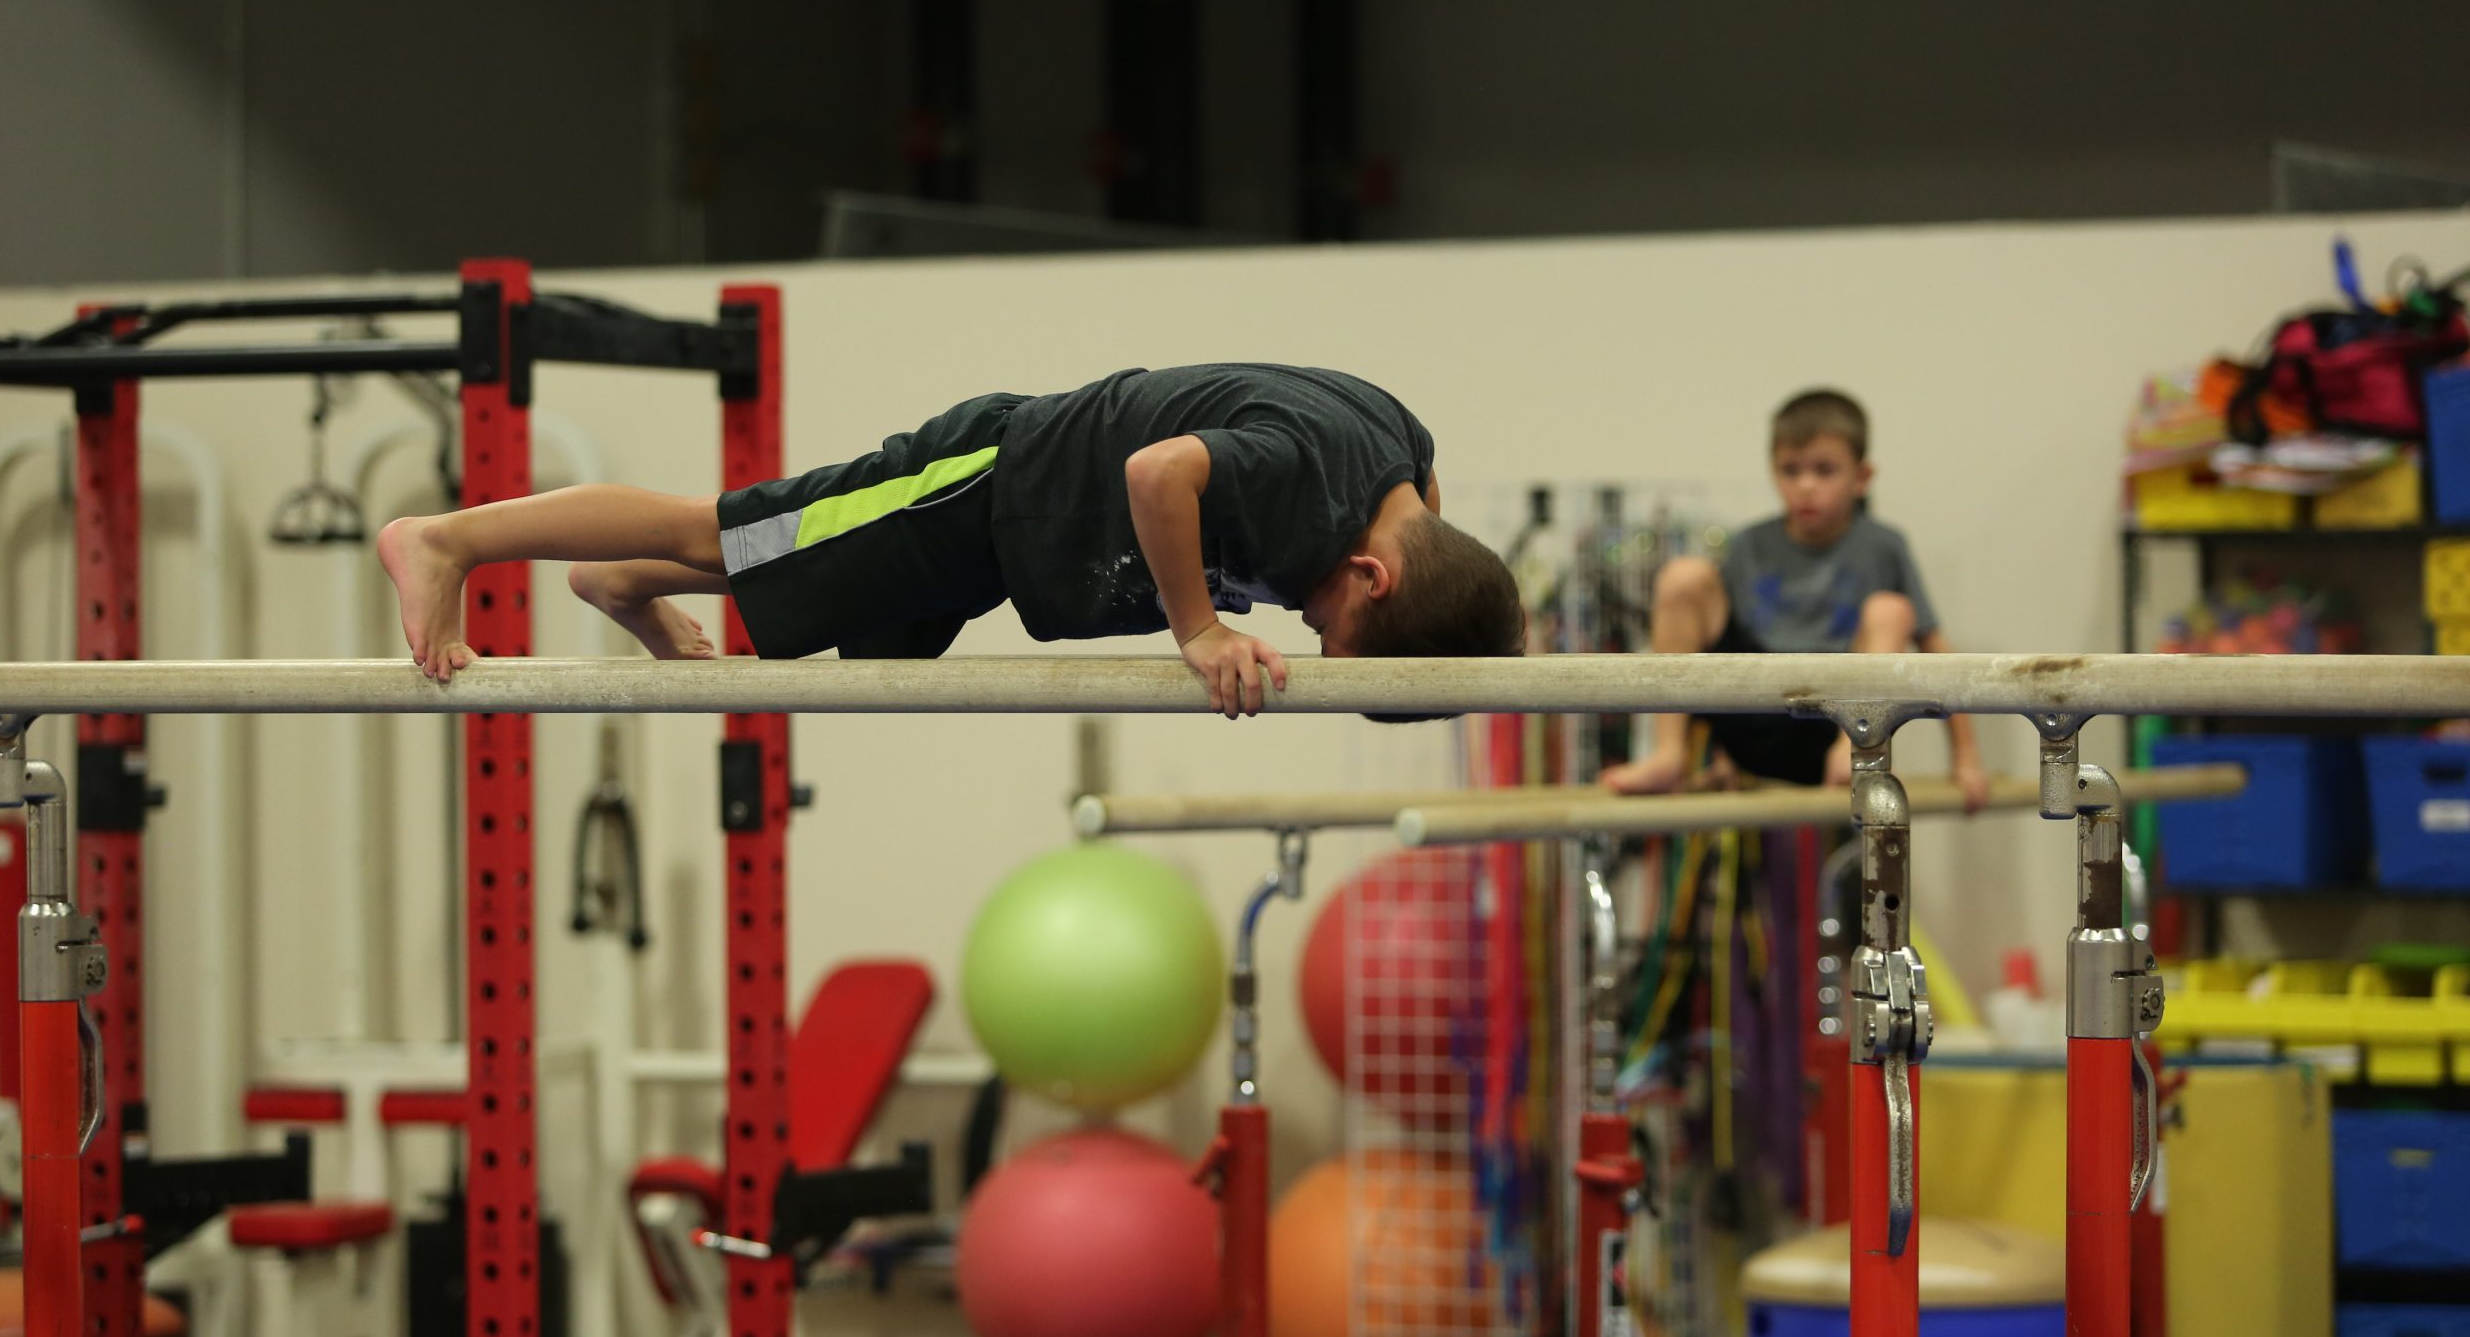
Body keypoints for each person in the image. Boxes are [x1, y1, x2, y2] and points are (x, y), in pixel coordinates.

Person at [379, 362, 1524, 717]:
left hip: (1016, 547)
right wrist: (1199, 628)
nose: (1316, 632)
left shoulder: (1405, 471)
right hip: (988, 485)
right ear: (1373, 573)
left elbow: (1435, 516)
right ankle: (447, 540)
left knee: (798, 599)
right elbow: (1156, 469)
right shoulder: (1307, 482)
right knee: (721, 528)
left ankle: (617, 578)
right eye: (1340, 631)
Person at [1600, 389, 1987, 800]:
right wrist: (1716, 754)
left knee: (1891, 610)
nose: (1805, 486)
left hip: (1832, 725)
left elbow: (1936, 648)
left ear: (1862, 477)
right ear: (1773, 472)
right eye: (1790, 470)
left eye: (1824, 470)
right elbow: (1708, 642)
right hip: (1754, 711)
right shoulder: (1749, 545)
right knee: (1683, 577)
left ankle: (1856, 752)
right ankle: (1668, 754)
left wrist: (1966, 758)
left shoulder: (1883, 545)